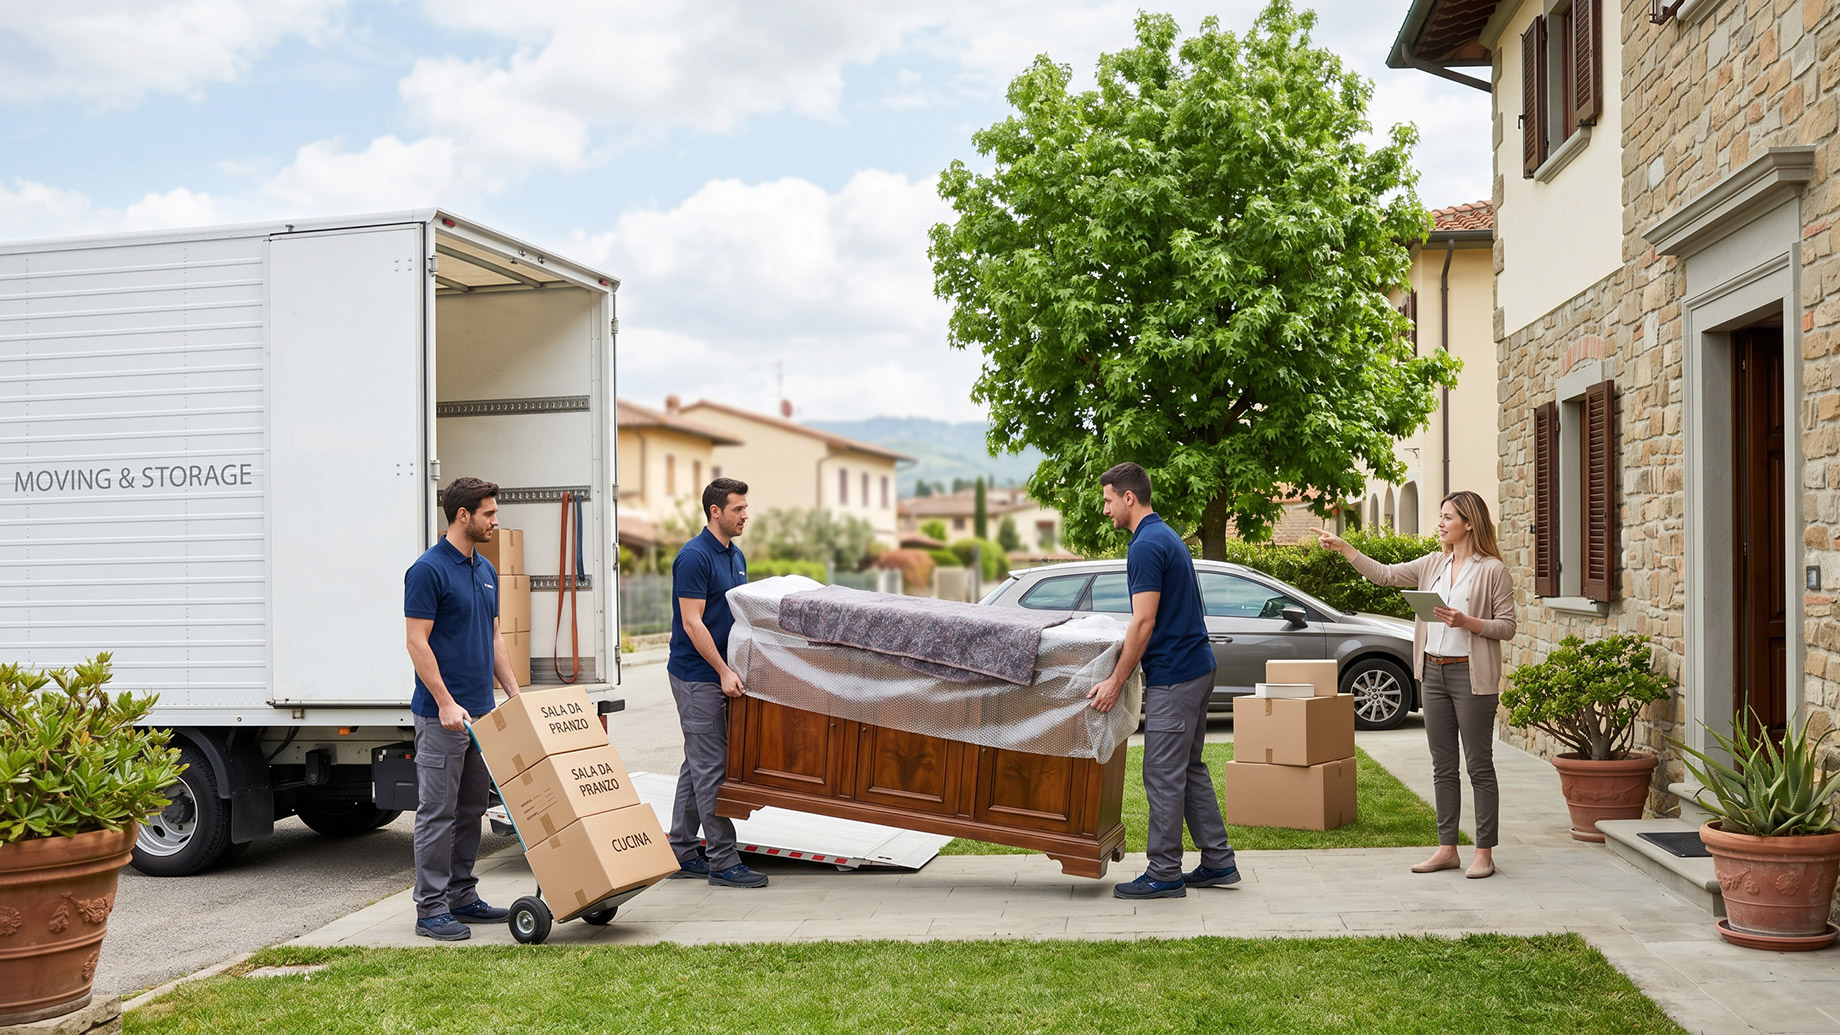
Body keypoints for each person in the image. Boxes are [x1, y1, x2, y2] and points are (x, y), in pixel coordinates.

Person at [1311, 490, 1516, 879]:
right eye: (1440, 516)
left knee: (1479, 765)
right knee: (1443, 766)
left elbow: (1507, 626)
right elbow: (1385, 575)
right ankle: (1447, 849)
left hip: (1471, 676)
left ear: (1468, 523)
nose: (1440, 523)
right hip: (1433, 673)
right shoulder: (1433, 564)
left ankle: (1484, 852)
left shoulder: (1492, 570)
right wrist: (1345, 548)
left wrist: (1466, 622)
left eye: (1447, 517)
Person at [1089, 462, 1239, 899]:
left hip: (1177, 674)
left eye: (1108, 500)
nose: (1106, 510)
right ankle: (1217, 861)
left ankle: (1164, 873)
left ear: (1129, 497)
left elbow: (1144, 620)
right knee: (1188, 769)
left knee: (1162, 773)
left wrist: (1116, 681)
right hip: (1196, 666)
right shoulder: (1164, 535)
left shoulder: (1146, 545)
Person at [404, 477, 522, 940]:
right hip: (442, 716)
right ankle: (430, 909)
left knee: (472, 806)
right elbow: (417, 642)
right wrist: (445, 702)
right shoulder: (427, 571)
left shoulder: (485, 569)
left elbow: (495, 638)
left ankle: (461, 894)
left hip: (481, 711)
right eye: (489, 514)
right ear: (463, 516)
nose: (496, 521)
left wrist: (512, 692)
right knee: (438, 811)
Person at [666, 477, 768, 889]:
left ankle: (681, 848)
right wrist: (723, 671)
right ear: (715, 512)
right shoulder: (693, 557)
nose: (746, 515)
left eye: (745, 507)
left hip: (722, 674)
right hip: (697, 675)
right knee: (712, 768)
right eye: (738, 509)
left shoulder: (735, 554)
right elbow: (692, 622)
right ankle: (723, 861)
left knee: (697, 763)